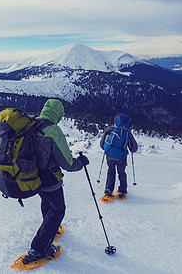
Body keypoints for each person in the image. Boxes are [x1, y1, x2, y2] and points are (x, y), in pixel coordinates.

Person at [22, 99, 90, 264]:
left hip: (33, 178)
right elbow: (68, 164)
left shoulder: (31, 125)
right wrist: (82, 162)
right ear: (58, 113)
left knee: (47, 203)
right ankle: (39, 249)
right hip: (50, 180)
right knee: (58, 210)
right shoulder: (53, 131)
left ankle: (49, 229)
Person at [100, 113, 138, 199]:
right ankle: (122, 191)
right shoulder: (128, 133)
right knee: (121, 173)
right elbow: (134, 149)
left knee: (111, 171)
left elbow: (102, 144)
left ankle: (108, 190)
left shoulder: (110, 129)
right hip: (121, 158)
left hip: (109, 156)